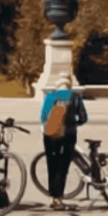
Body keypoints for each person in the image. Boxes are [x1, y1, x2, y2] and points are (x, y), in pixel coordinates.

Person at [39, 75, 88, 209]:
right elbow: (83, 118)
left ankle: (54, 197)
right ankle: (59, 197)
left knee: (52, 164)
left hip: (50, 135)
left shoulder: (51, 96)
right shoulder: (76, 97)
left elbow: (43, 116)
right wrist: (73, 123)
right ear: (69, 85)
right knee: (63, 165)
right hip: (68, 134)